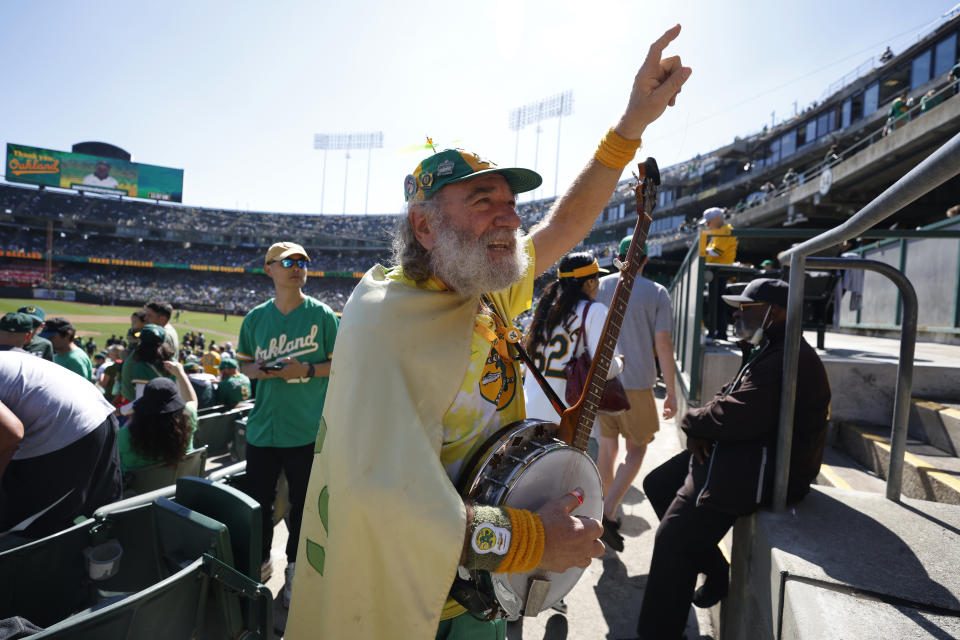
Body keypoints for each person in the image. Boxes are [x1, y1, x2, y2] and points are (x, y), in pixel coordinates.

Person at [286, 24, 691, 640]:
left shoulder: (480, 281)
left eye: (510, 201)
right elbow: (382, 497)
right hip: (420, 606)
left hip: (489, 590)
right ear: (426, 228)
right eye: (483, 201)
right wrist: (534, 539)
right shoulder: (385, 319)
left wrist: (629, 127)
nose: (509, 215)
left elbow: (561, 229)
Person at [632, 278, 831, 640]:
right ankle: (714, 567)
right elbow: (729, 400)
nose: (739, 316)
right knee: (658, 484)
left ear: (778, 312)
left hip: (769, 468)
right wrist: (704, 426)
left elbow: (737, 415)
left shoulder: (787, 357)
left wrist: (694, 423)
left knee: (674, 539)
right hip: (750, 450)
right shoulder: (772, 346)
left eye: (748, 309)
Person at [236, 240, 339, 607]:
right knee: (258, 503)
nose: (297, 267)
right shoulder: (255, 318)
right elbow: (244, 365)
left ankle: (296, 569)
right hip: (264, 427)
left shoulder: (324, 315)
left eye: (303, 261)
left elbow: (339, 364)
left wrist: (305, 369)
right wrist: (261, 371)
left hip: (306, 429)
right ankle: (261, 565)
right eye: (288, 261)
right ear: (270, 268)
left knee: (303, 506)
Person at [595, 236, 678, 552]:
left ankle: (603, 504)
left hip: (604, 379)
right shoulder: (656, 292)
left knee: (607, 446)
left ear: (617, 258)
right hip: (638, 382)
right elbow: (663, 345)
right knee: (637, 451)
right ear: (645, 260)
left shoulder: (600, 287)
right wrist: (671, 393)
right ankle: (608, 512)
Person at [0, 349, 122, 539]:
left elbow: (11, 432)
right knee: (98, 514)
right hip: (92, 410)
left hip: (68, 427)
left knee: (23, 527)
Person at [522, 252, 620, 462]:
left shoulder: (544, 310)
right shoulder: (594, 311)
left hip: (527, 417)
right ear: (590, 281)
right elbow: (606, 368)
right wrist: (620, 363)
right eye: (597, 279)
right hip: (566, 424)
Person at [117, 363, 198, 473]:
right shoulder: (188, 419)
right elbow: (192, 401)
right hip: (178, 485)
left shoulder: (125, 435)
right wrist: (180, 374)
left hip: (138, 489)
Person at [701, 207, 737, 340]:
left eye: (708, 221)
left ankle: (720, 333)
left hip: (720, 270)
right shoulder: (719, 231)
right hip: (717, 270)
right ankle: (717, 332)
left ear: (716, 219)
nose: (707, 224)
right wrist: (707, 250)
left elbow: (716, 252)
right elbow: (712, 251)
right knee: (715, 302)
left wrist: (703, 251)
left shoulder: (725, 229)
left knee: (718, 303)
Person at [40, 317, 94, 381]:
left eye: (51, 337)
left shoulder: (75, 360)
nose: (47, 340)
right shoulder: (57, 355)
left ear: (68, 335)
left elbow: (79, 389)